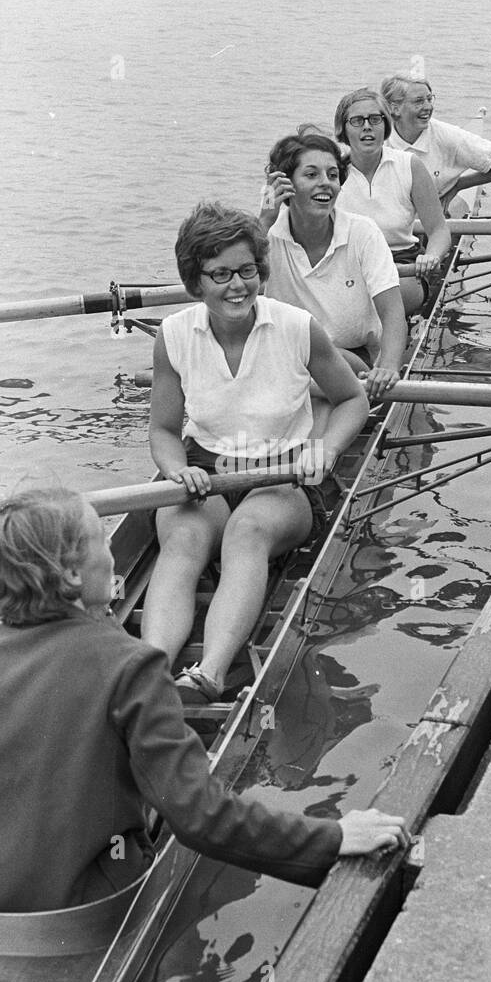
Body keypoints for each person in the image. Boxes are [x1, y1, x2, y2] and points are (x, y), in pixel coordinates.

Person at [0, 488, 407, 913]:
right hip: (74, 907)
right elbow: (201, 818)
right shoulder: (132, 665)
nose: (111, 556)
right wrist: (334, 836)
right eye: (101, 543)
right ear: (73, 575)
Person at [140, 202, 369, 707]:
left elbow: (354, 398)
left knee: (246, 534)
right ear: (195, 282)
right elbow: (161, 430)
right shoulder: (173, 336)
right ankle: (150, 676)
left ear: (262, 272)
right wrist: (177, 470)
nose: (236, 286)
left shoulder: (297, 327)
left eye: (247, 270)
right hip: (205, 469)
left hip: (285, 474)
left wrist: (325, 451)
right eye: (219, 274)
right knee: (183, 540)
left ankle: (210, 674)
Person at [260, 132, 408, 399]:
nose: (326, 184)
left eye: (332, 175)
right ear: (284, 184)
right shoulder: (264, 237)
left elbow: (393, 313)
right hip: (284, 359)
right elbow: (233, 291)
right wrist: (265, 216)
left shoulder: (363, 232)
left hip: (354, 363)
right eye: (311, 175)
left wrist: (388, 367)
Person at [331, 88, 453, 317]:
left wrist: (432, 257)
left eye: (375, 119)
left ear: (385, 126)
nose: (367, 126)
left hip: (402, 266)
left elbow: (438, 230)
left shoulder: (410, 165)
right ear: (343, 130)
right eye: (357, 121)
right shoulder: (331, 173)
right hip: (347, 266)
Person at [381, 74, 491, 212]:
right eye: (419, 101)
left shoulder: (448, 136)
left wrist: (459, 185)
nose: (428, 107)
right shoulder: (376, 139)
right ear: (394, 108)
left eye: (429, 99)